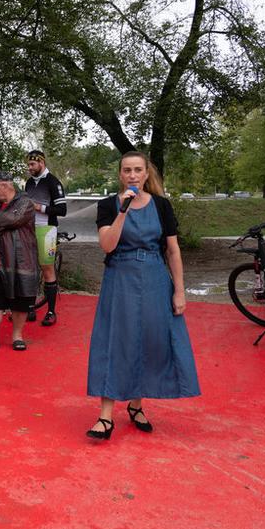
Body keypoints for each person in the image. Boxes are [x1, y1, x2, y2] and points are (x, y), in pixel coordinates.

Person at [85, 151, 200, 440]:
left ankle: (136, 405)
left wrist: (179, 290)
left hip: (154, 278)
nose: (132, 175)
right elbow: (108, 245)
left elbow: (173, 251)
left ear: (147, 174)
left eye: (138, 170)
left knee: (151, 340)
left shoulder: (162, 206)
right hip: (119, 279)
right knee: (115, 341)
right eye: (127, 170)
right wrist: (123, 211)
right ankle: (105, 416)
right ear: (120, 174)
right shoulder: (108, 205)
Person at [0, 172, 38, 353]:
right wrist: (3, 224)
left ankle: (17, 336)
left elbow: (13, 219)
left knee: (20, 299)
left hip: (20, 259)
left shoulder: (25, 202)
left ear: (4, 186)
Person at [24, 150, 67, 326]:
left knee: (47, 269)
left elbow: (62, 210)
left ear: (41, 163)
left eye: (32, 164)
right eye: (28, 165)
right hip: (29, 229)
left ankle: (50, 311)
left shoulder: (53, 182)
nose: (29, 168)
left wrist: (38, 207)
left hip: (47, 229)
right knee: (30, 270)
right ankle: (30, 307)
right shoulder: (28, 183)